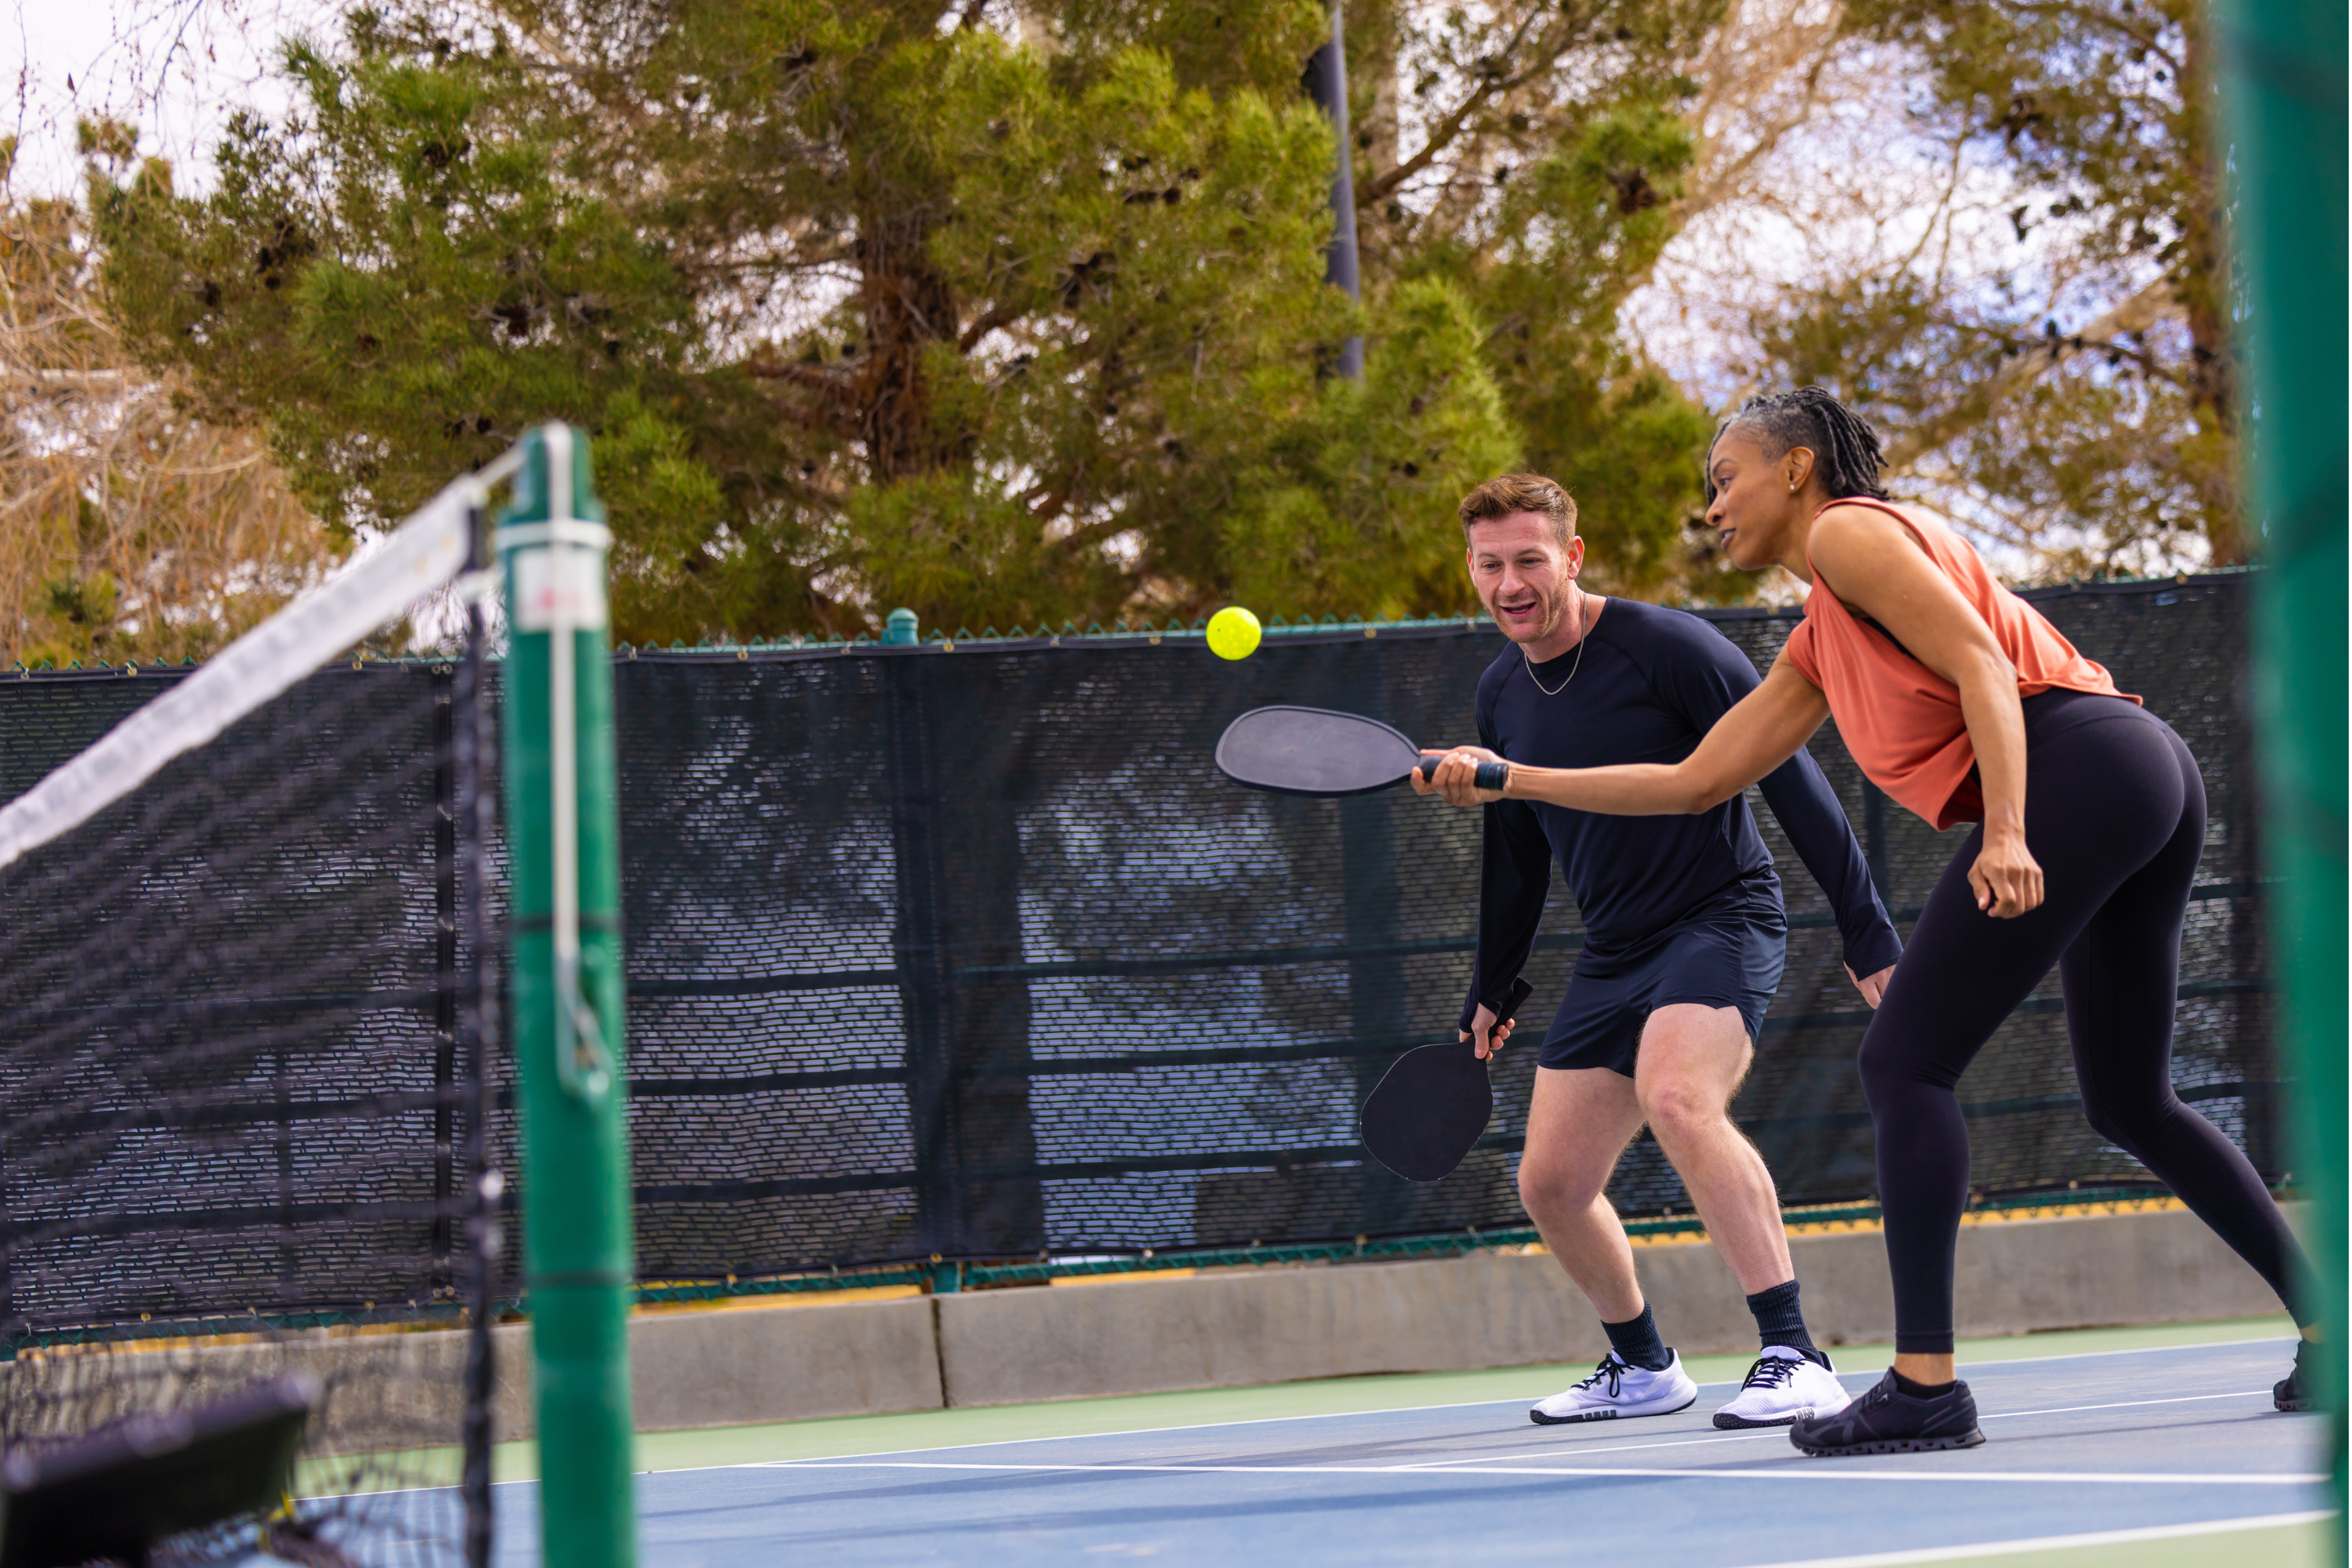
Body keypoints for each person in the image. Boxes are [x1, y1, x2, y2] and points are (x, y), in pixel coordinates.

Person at [1421, 392, 2319, 1457]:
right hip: (2137, 770)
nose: (1713, 507)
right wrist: (1512, 777)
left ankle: (1926, 1385)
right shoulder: (1820, 637)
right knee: (2130, 1099)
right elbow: (1694, 779)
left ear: (1797, 468)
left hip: (2077, 767)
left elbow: (1985, 662)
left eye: (1727, 477)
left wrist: (2008, 832)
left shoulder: (1849, 532)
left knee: (1904, 1065)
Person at [1414, 474, 1902, 1431]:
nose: (1510, 582)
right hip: (1615, 945)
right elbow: (1516, 849)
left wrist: (1864, 923)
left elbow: (1792, 772)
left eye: (1529, 560)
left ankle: (1795, 1354)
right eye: (1489, 564)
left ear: (1573, 557)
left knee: (1679, 1098)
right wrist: (1492, 985)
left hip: (1721, 916)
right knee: (1550, 1182)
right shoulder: (1500, 689)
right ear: (1470, 569)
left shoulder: (1666, 647)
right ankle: (1642, 1366)